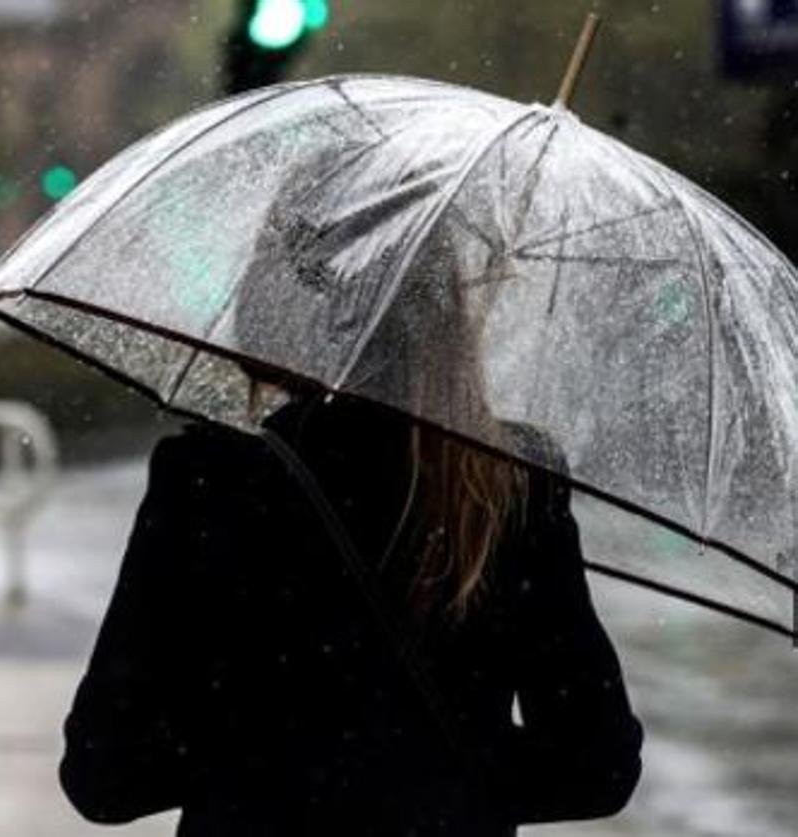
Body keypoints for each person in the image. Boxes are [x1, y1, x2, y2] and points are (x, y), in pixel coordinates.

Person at [59, 161, 642, 835]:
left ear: (274, 297)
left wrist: (267, 755)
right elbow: (595, 765)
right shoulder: (510, 483)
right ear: (441, 307)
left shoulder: (210, 479)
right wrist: (429, 770)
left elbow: (103, 772)